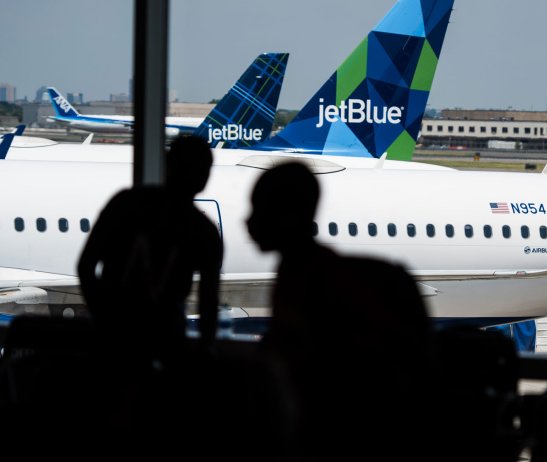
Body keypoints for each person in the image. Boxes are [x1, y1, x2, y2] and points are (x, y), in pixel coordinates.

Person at [247, 162, 436, 462]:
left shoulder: (318, 280)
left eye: (259, 209)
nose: (249, 221)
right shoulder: (298, 272)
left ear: (289, 216)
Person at [77, 135, 221, 364]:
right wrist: (205, 350)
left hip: (113, 336)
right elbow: (208, 302)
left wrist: (103, 316)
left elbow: (86, 266)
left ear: (167, 165)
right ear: (204, 178)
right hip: (166, 340)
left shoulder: (124, 203)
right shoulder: (203, 231)